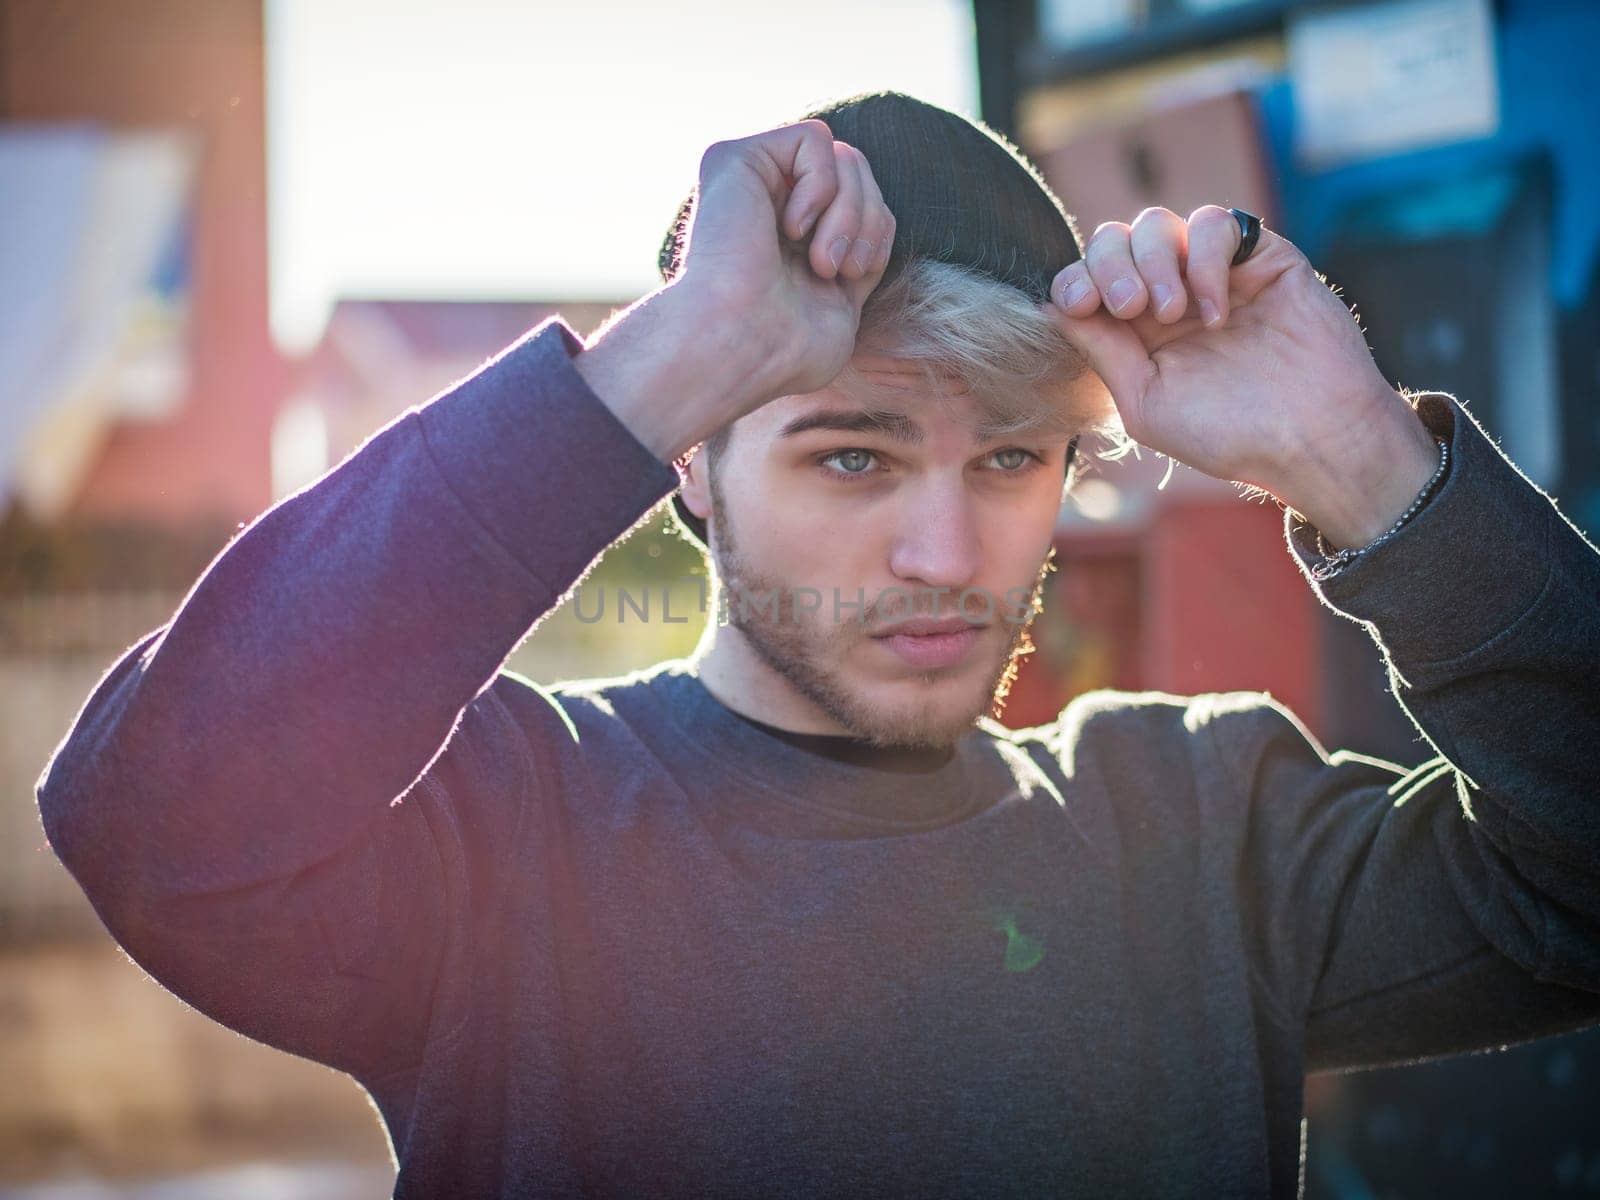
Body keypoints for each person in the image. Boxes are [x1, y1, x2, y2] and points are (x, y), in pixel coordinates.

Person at [34, 90, 1600, 1199]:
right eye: (851, 456)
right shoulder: (512, 825)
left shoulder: (1200, 822)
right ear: (696, 463)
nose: (945, 554)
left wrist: (1365, 457)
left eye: (1008, 461)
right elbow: (154, 821)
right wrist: (672, 354)